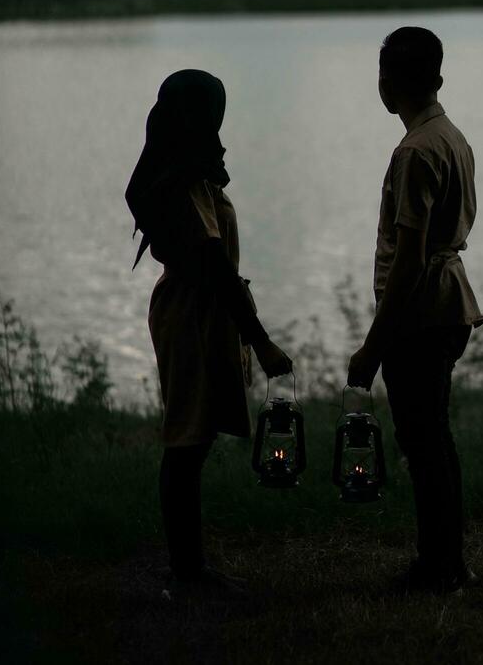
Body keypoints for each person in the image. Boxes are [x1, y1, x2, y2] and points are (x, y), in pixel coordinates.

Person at [125, 69, 292, 597]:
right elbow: (214, 265)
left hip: (201, 310)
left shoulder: (185, 169)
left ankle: (189, 565)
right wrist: (260, 341)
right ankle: (188, 571)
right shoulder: (182, 181)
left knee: (192, 440)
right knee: (186, 441)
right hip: (193, 313)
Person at [347, 27, 483, 594]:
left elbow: (407, 261)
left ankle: (439, 567)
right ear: (437, 79)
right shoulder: (450, 136)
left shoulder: (413, 152)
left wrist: (371, 348)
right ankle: (448, 561)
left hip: (422, 314)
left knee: (423, 443)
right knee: (435, 439)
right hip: (449, 303)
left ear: (386, 84)